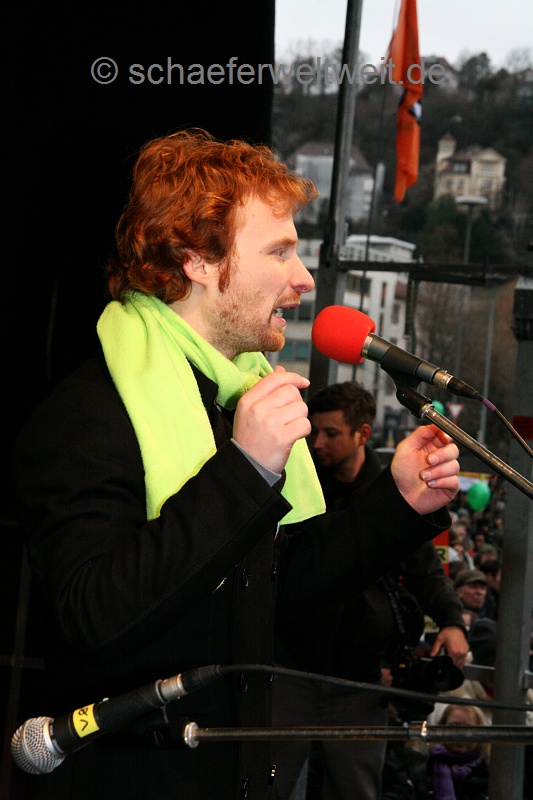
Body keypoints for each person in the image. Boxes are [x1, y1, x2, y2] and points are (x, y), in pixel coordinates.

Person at [14, 129, 460, 800]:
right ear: (196, 259)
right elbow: (94, 616)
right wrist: (244, 470)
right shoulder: (87, 413)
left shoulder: (233, 394)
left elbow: (280, 587)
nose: (303, 278)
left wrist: (398, 505)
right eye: (279, 251)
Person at [273, 381, 467, 800]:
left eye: (331, 433)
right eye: (314, 432)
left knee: (357, 788)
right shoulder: (299, 480)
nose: (318, 443)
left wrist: (452, 621)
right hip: (290, 667)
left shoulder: (393, 488)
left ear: (362, 434)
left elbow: (425, 569)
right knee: (268, 782)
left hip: (359, 674)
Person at [427, 704, 490, 800]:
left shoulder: (491, 776)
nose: (461, 735)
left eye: (468, 729)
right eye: (454, 727)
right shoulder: (425, 770)